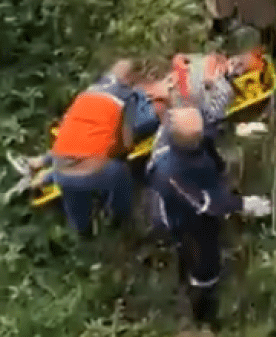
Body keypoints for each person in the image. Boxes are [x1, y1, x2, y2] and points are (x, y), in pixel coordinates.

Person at [6, 59, 164, 236]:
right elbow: (127, 144)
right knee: (121, 175)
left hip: (61, 167)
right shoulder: (126, 97)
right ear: (132, 77)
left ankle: (83, 231)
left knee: (74, 197)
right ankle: (117, 219)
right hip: (91, 169)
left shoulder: (88, 92)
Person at [147, 107, 271, 329]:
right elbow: (205, 204)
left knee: (212, 222)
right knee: (203, 259)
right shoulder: (169, 172)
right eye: (199, 134)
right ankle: (203, 310)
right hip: (183, 217)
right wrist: (244, 204)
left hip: (202, 177)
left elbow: (210, 130)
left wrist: (237, 129)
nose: (203, 132)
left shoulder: (180, 126)